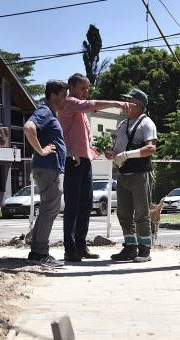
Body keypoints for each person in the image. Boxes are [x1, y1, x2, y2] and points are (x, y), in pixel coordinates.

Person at [59, 73, 130, 262]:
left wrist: (101, 150)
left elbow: (83, 140)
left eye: (87, 89)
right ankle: (70, 248)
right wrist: (116, 104)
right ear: (72, 88)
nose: (86, 92)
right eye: (83, 88)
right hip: (73, 161)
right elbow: (92, 104)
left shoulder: (80, 113)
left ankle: (81, 246)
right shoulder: (69, 102)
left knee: (86, 204)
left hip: (84, 161)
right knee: (73, 206)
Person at [106, 88, 157, 263]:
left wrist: (127, 155)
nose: (126, 105)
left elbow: (150, 148)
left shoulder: (146, 123)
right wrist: (111, 152)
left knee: (142, 214)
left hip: (140, 174)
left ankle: (145, 250)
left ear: (140, 105)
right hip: (123, 175)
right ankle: (130, 247)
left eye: (130, 101)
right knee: (123, 214)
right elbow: (117, 148)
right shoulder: (122, 125)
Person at [23, 80, 68, 267]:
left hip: (50, 168)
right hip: (48, 168)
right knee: (50, 208)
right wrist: (41, 150)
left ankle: (36, 242)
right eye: (63, 95)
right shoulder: (45, 111)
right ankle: (39, 252)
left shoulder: (50, 114)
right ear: (53, 95)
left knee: (49, 208)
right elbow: (28, 127)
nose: (66, 99)